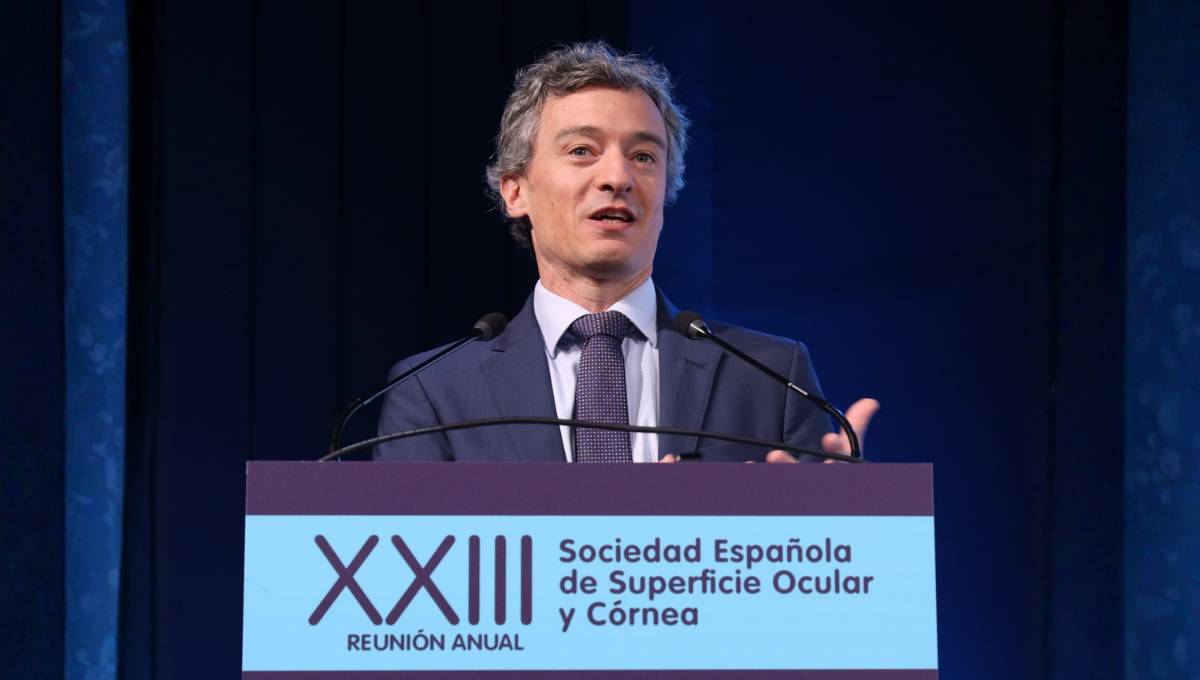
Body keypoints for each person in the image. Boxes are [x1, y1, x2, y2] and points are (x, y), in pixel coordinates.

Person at [374, 42, 877, 463]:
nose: (618, 177)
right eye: (582, 151)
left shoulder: (771, 376)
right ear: (515, 191)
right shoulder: (433, 391)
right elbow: (410, 550)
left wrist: (837, 517)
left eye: (643, 156)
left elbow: (815, 546)